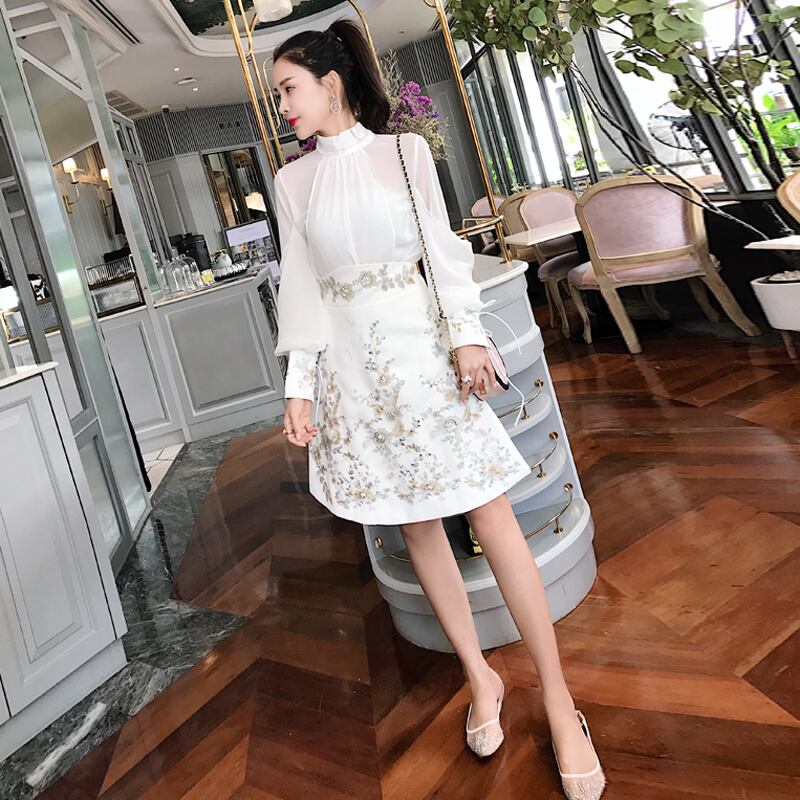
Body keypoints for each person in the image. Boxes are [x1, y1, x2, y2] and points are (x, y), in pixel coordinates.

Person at [270, 18, 605, 800]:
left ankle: (560, 702)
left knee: (491, 512)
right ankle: (480, 676)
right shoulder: (293, 183)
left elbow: (443, 257)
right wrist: (300, 385)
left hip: (423, 356)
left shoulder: (404, 153)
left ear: (329, 82)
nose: (283, 106)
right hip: (353, 374)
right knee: (417, 525)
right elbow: (303, 289)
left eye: (288, 89)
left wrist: (467, 338)